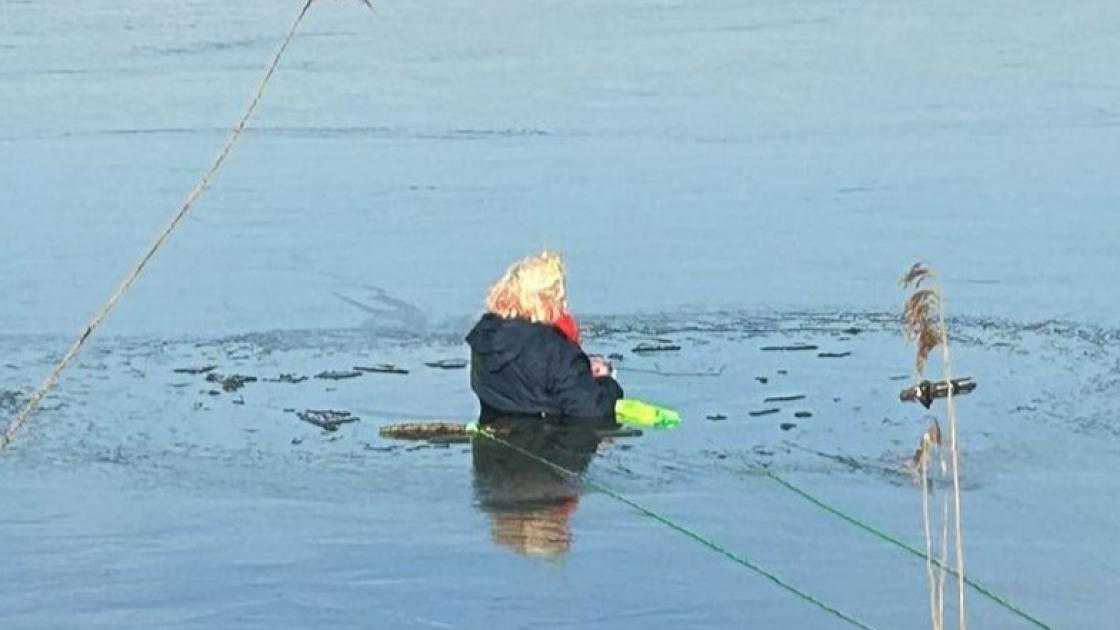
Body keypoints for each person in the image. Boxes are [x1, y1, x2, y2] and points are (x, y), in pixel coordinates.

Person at [465, 250, 623, 422]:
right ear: (546, 299)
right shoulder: (553, 349)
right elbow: (592, 409)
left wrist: (579, 367)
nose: (564, 304)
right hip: (545, 440)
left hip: (494, 437)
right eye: (559, 297)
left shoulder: (485, 335)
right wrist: (605, 381)